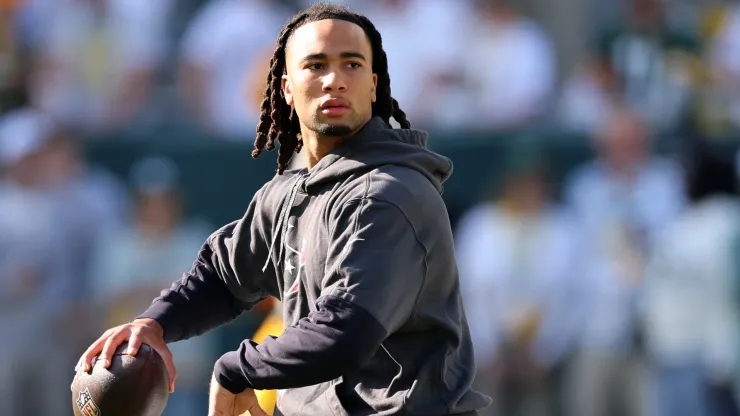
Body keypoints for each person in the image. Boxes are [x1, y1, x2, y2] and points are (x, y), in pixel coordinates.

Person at [74, 3, 492, 416]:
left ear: (374, 85)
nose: (334, 80)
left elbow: (346, 331)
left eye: (352, 65)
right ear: (286, 87)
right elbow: (223, 276)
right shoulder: (289, 192)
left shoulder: (391, 194)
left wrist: (236, 369)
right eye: (315, 65)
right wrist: (155, 323)